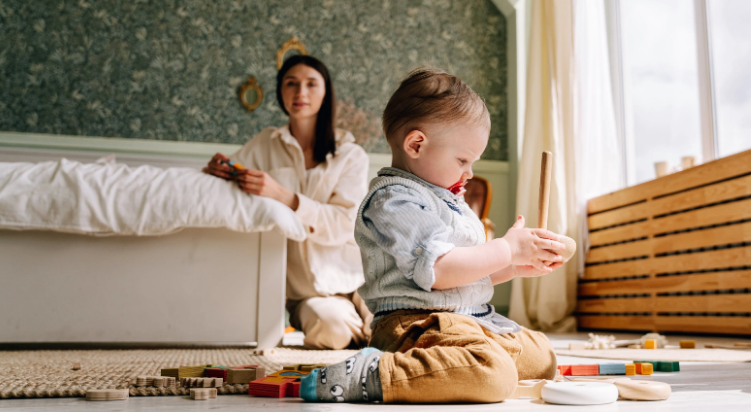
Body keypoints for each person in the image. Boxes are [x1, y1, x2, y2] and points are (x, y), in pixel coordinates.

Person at [299, 67, 566, 403]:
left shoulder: (447, 198)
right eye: (463, 159)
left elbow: (464, 274)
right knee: (492, 374)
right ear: (417, 144)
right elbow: (440, 271)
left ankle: (461, 365)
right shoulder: (394, 199)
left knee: (543, 357)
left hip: (465, 321)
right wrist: (506, 249)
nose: (469, 172)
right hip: (416, 326)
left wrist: (514, 265)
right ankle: (377, 373)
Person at [203, 55, 372, 350]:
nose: (300, 93)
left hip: (357, 277)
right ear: (281, 92)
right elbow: (234, 175)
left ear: (326, 91)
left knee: (393, 328)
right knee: (331, 333)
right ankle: (362, 331)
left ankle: (370, 327)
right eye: (290, 84)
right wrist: (218, 169)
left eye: (311, 84)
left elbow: (346, 224)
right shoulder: (265, 144)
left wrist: (284, 196)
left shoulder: (350, 154)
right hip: (308, 292)